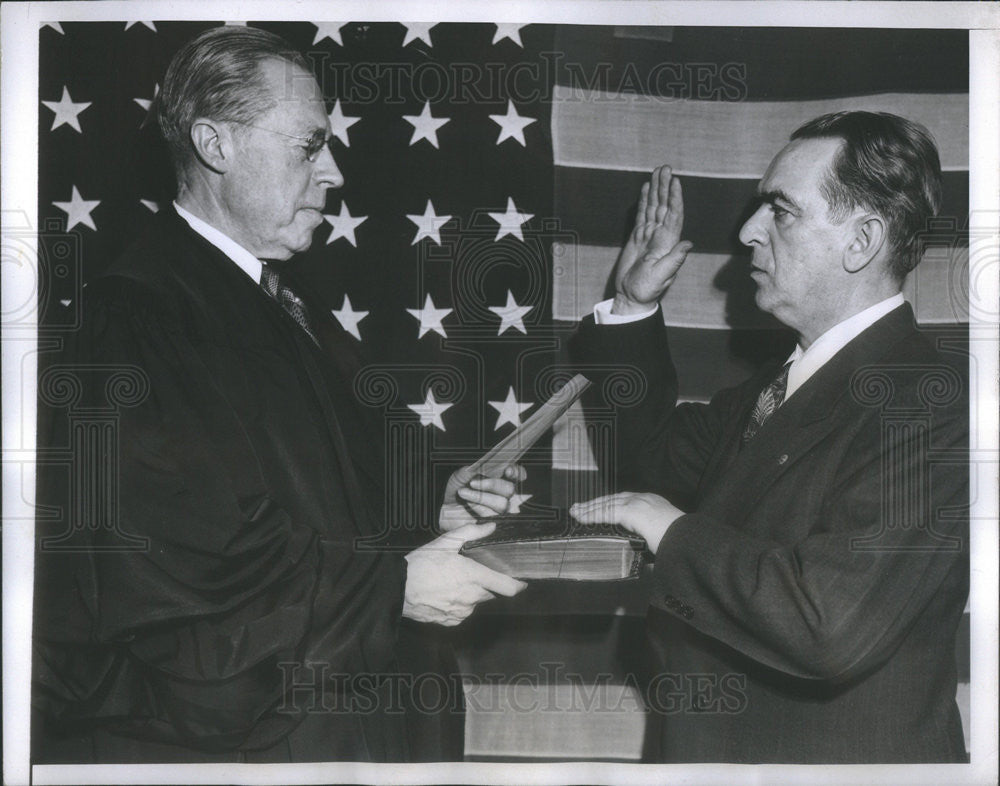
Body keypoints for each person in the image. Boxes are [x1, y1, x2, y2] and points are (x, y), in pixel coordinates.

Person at [32, 26, 527, 764]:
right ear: (214, 144)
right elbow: (187, 571)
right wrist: (389, 587)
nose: (334, 172)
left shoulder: (288, 310)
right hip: (242, 746)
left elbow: (311, 507)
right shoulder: (136, 318)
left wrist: (429, 512)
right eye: (309, 145)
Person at [569, 112, 968, 763]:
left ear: (861, 241)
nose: (747, 233)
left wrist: (667, 529)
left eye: (779, 211)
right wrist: (634, 305)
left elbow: (828, 624)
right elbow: (654, 459)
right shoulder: (772, 388)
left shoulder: (938, 404)